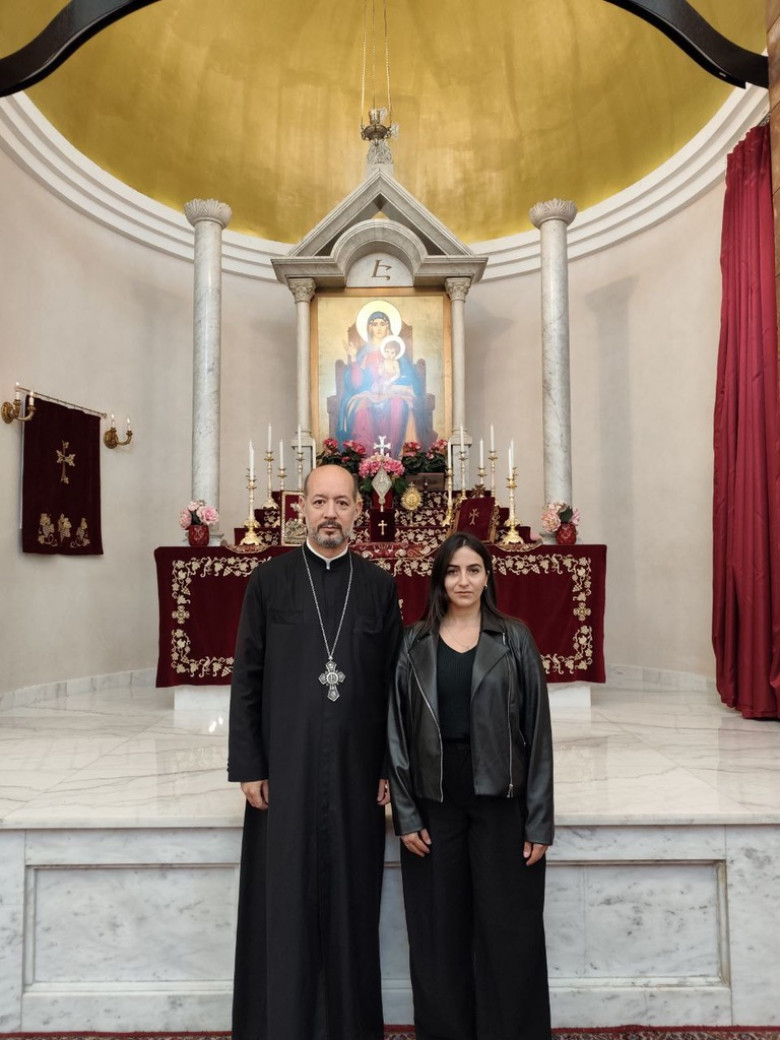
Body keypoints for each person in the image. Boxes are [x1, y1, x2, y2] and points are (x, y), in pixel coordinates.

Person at [228, 463, 402, 1040]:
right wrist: (249, 764)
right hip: (285, 769)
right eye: (320, 501)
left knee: (352, 902)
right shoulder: (269, 581)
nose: (331, 513)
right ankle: (280, 1024)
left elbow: (394, 684)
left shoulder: (377, 586)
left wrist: (389, 765)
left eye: (342, 503)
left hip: (357, 773)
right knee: (284, 899)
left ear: (359, 511)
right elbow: (247, 676)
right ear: (300, 508)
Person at [387, 531, 554, 1040]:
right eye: (453, 571)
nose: (463, 581)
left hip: (501, 798)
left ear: (487, 577)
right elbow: (395, 732)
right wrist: (405, 814)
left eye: (473, 570)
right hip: (434, 800)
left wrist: (539, 821)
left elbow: (538, 732)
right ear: (439, 579)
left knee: (509, 928)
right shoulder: (413, 642)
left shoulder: (514, 638)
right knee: (437, 931)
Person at [338, 308, 421, 454]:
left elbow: (409, 377)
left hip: (393, 393)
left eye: (382, 324)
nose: (379, 328)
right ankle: (365, 457)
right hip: (369, 393)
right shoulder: (363, 354)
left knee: (397, 405)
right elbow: (356, 383)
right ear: (370, 327)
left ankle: (395, 455)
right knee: (362, 411)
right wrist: (353, 358)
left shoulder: (397, 354)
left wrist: (393, 383)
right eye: (375, 324)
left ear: (388, 326)